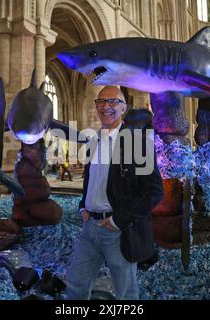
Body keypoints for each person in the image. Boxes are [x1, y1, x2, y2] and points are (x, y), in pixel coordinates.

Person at [66, 86, 163, 300]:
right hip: (89, 228)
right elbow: (92, 179)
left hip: (117, 231)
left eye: (113, 102)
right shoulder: (95, 141)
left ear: (123, 108)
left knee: (126, 292)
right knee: (75, 284)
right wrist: (83, 205)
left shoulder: (136, 143)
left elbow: (155, 191)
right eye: (101, 102)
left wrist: (119, 220)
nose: (106, 107)